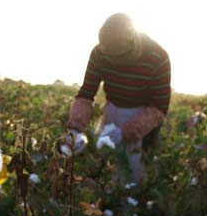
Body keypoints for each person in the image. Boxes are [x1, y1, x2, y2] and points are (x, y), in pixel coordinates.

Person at [66, 13, 171, 183]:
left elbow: (159, 109)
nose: (113, 62)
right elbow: (86, 94)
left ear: (131, 42)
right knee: (105, 170)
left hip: (143, 120)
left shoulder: (158, 57)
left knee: (134, 177)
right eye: (108, 57)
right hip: (113, 110)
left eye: (117, 57)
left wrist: (125, 132)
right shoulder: (100, 52)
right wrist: (74, 129)